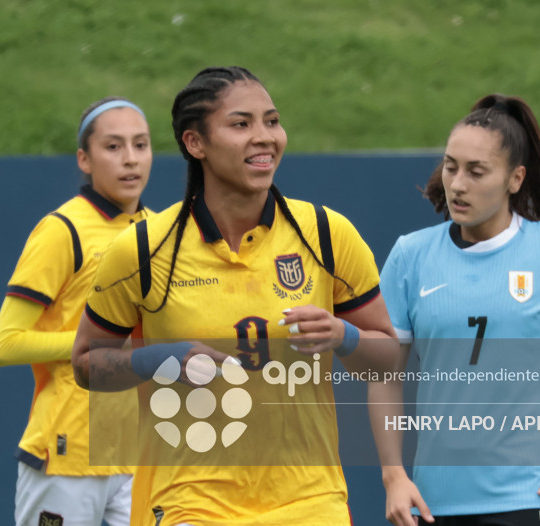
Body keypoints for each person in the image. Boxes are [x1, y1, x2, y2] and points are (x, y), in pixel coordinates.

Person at [71, 66, 398, 526]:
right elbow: (86, 363)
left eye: (272, 121)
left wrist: (343, 335)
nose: (265, 137)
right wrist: (158, 360)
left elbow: (391, 360)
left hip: (310, 504)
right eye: (241, 124)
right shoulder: (144, 250)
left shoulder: (326, 234)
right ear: (195, 144)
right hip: (190, 503)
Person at [370, 94, 540, 526]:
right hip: (433, 505)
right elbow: (384, 376)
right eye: (451, 166)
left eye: (476, 171)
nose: (457, 184)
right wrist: (393, 475)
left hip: (533, 496)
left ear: (515, 178)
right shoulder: (409, 256)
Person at [0, 96, 153, 525]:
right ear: (84, 158)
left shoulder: (162, 232)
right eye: (113, 147)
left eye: (141, 144)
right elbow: (4, 345)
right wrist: (97, 345)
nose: (130, 159)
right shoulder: (61, 231)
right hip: (68, 451)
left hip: (141, 451)